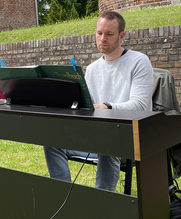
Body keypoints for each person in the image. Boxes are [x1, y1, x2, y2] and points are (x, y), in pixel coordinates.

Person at [44, 10, 154, 192]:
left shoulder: (139, 61)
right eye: (99, 33)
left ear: (121, 36)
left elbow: (141, 106)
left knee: (107, 144)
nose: (103, 38)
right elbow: (88, 106)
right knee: (52, 142)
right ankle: (61, 197)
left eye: (109, 34)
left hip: (129, 137)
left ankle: (101, 202)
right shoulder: (93, 69)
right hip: (97, 135)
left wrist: (108, 106)